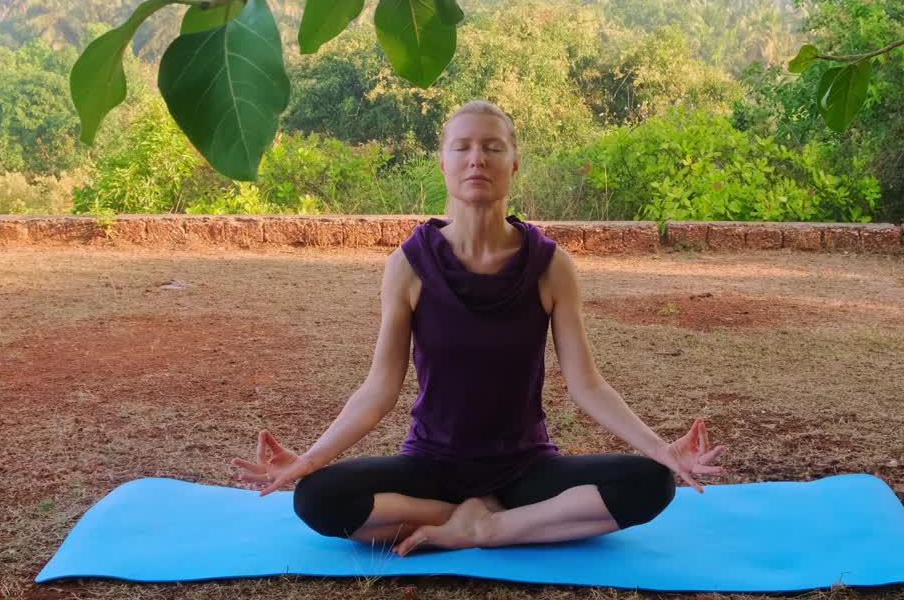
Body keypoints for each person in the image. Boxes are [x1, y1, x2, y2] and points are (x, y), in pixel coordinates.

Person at [230, 100, 726, 557]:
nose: (477, 160)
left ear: (513, 163)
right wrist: (310, 461)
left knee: (651, 482)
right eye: (462, 147)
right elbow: (379, 389)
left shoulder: (552, 267)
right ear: (443, 162)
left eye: (493, 147)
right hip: (431, 466)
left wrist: (661, 449)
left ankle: (488, 527)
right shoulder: (408, 265)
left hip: (525, 467)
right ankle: (454, 516)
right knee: (317, 498)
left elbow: (587, 385)